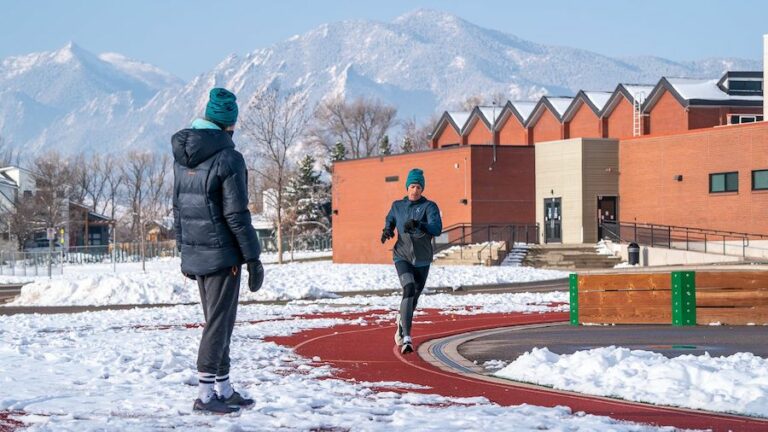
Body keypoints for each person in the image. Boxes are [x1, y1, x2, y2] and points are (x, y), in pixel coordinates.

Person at [172, 88, 265, 414]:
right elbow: (237, 214)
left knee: (220, 321)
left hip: (198, 253)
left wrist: (184, 249)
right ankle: (206, 395)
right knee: (218, 324)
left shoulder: (182, 157)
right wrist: (253, 257)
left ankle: (223, 388)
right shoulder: (229, 158)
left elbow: (178, 207)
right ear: (230, 124)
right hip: (223, 254)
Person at [381, 168, 442, 354]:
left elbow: (437, 228)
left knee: (413, 298)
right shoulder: (397, 205)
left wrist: (419, 224)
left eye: (418, 187)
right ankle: (407, 337)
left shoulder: (429, 207)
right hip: (402, 256)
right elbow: (390, 219)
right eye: (412, 186)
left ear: (422, 189)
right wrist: (387, 230)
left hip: (422, 260)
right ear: (407, 187)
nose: (415, 190)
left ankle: (402, 321)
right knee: (408, 288)